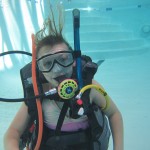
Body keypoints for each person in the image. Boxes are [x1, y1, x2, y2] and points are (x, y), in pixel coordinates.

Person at [3, 6, 124, 150]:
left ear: (74, 61)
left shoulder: (90, 89)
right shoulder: (38, 95)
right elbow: (12, 133)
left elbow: (114, 114)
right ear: (39, 69)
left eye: (64, 59)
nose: (58, 69)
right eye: (48, 63)